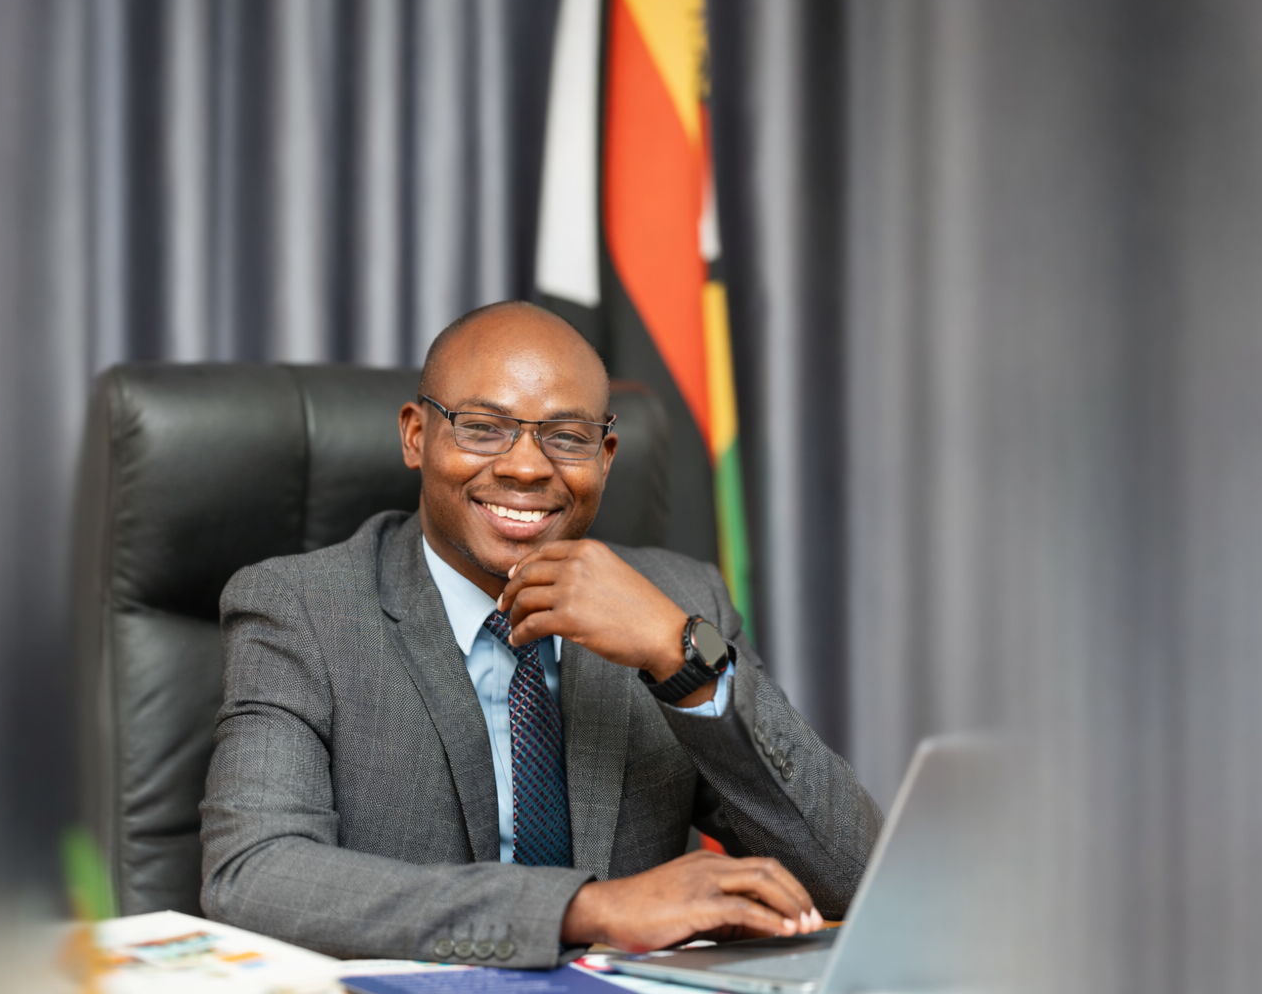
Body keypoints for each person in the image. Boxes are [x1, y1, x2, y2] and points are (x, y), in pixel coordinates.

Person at [200, 301, 882, 969]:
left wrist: (682, 657)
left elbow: (858, 880)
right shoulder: (303, 610)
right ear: (416, 436)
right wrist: (583, 909)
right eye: (483, 427)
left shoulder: (679, 600)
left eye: (565, 437)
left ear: (606, 455)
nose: (527, 467)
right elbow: (254, 872)